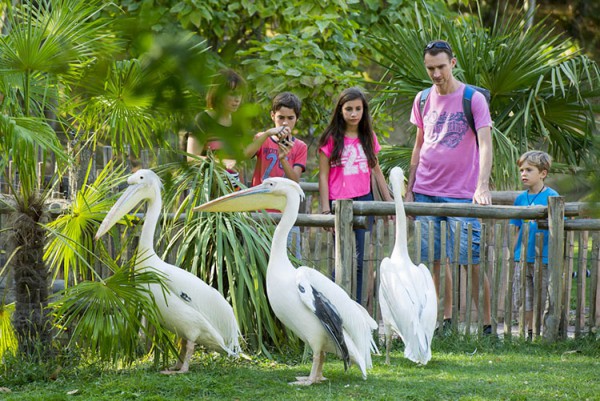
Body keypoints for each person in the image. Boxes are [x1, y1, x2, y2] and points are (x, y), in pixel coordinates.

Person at [406, 40, 493, 335]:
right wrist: (410, 189)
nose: (436, 73)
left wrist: (482, 186)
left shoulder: (473, 99)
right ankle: (441, 322)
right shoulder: (421, 99)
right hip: (426, 191)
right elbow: (418, 146)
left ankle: (487, 327)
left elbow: (485, 144)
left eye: (441, 66)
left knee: (472, 261)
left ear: (453, 63)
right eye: (430, 68)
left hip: (462, 194)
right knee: (433, 262)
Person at [318, 87, 393, 305]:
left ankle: (357, 305)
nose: (353, 113)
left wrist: (388, 201)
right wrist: (324, 209)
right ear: (340, 111)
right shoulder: (330, 139)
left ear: (364, 110)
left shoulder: (368, 136)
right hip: (339, 203)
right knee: (342, 257)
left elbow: (376, 171)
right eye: (349, 109)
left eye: (358, 109)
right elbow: (323, 176)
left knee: (361, 258)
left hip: (365, 200)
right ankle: (334, 303)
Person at [244, 92, 308, 258]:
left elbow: (295, 180)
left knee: (290, 261)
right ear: (273, 116)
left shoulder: (300, 147)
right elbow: (245, 155)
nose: (285, 122)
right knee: (257, 263)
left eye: (290, 118)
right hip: (260, 213)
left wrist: (283, 158)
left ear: (297, 119)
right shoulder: (261, 138)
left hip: (286, 213)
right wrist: (266, 134)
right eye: (281, 117)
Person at [509, 151, 559, 340]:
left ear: (543, 173)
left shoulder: (552, 197)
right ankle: (528, 333)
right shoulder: (520, 199)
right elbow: (515, 227)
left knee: (542, 296)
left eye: (529, 170)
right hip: (522, 257)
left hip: (544, 257)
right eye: (521, 170)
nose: (523, 174)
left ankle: (542, 333)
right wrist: (513, 252)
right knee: (524, 298)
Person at [187, 69, 247, 188]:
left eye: (239, 94)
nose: (237, 99)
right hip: (208, 192)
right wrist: (223, 162)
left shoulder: (238, 123)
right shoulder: (202, 120)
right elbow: (191, 159)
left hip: (234, 191)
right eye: (232, 94)